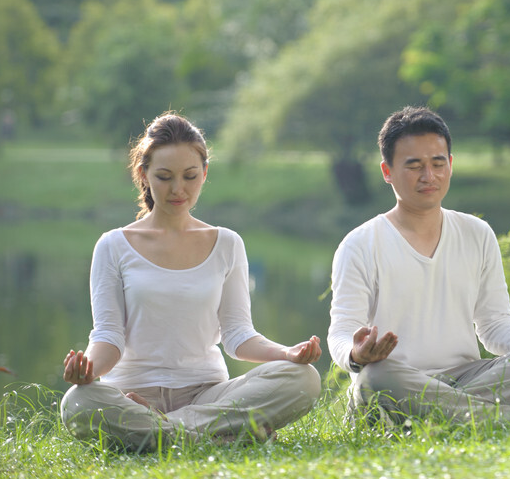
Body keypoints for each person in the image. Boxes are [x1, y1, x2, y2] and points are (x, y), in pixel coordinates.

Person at [60, 112, 322, 451]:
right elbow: (109, 336)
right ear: (144, 174)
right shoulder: (113, 245)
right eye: (165, 177)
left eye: (190, 176)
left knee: (303, 379)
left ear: (205, 173)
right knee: (77, 403)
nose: (178, 189)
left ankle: (164, 432)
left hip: (208, 393)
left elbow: (238, 335)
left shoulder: (227, 243)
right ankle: (218, 438)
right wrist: (88, 369)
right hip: (131, 394)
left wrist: (287, 353)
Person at [327, 106, 510, 426]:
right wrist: (357, 354)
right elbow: (341, 333)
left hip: (467, 376)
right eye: (414, 166)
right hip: (399, 377)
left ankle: (427, 418)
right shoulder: (360, 244)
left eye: (437, 163)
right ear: (387, 172)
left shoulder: (476, 233)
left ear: (451, 165)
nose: (429, 176)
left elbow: (495, 325)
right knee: (376, 377)